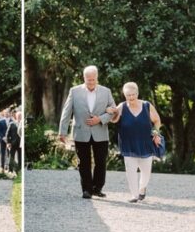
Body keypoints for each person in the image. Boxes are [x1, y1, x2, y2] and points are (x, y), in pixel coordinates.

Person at [58, 65, 116, 199]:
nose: (91, 82)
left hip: (100, 132)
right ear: (84, 78)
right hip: (81, 132)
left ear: (97, 78)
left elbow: (113, 110)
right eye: (88, 79)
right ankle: (87, 190)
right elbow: (67, 112)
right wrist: (62, 131)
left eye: (93, 79)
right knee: (83, 162)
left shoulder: (106, 91)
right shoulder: (74, 91)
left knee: (101, 162)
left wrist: (100, 119)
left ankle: (97, 188)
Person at [109, 82, 162, 203]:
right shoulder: (121, 106)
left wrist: (156, 132)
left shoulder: (146, 106)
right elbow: (113, 120)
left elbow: (157, 120)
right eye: (128, 95)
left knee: (146, 173)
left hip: (145, 144)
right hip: (128, 143)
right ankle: (134, 195)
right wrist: (112, 112)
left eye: (133, 94)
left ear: (137, 93)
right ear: (124, 95)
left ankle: (142, 188)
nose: (131, 97)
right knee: (130, 171)